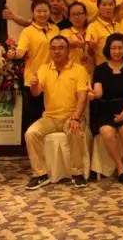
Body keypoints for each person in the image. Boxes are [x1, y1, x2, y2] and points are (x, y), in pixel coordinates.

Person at [24, 36, 88, 189]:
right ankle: (40, 174)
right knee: (31, 133)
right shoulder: (44, 69)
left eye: (61, 48)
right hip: (50, 117)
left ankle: (77, 173)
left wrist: (76, 118)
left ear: (68, 50)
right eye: (53, 48)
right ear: (50, 51)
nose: (57, 52)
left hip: (71, 116)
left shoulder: (79, 70)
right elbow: (36, 93)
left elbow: (82, 97)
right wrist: (34, 85)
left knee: (75, 131)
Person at [88, 33, 123, 183]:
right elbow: (99, 92)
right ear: (108, 49)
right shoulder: (100, 69)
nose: (117, 51)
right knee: (106, 132)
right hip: (105, 109)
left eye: (120, 48)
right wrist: (93, 95)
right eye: (113, 48)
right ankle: (120, 167)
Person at [8, 0, 60, 127]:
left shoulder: (55, 29)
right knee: (33, 114)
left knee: (50, 112)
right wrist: (14, 54)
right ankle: (29, 138)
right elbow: (21, 51)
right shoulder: (28, 31)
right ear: (33, 13)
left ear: (50, 12)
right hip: (34, 77)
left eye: (45, 11)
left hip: (53, 76)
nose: (42, 14)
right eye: (39, 11)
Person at [85, 0, 123, 66]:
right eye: (104, 5)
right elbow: (89, 54)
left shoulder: (120, 26)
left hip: (121, 67)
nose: (108, 8)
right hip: (103, 67)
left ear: (114, 7)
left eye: (111, 5)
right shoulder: (93, 26)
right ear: (98, 7)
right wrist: (91, 48)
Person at [60, 1, 93, 75]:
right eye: (73, 14)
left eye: (80, 14)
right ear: (69, 18)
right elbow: (63, 44)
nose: (77, 17)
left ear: (85, 15)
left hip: (90, 73)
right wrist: (73, 44)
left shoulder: (92, 30)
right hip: (71, 73)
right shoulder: (65, 32)